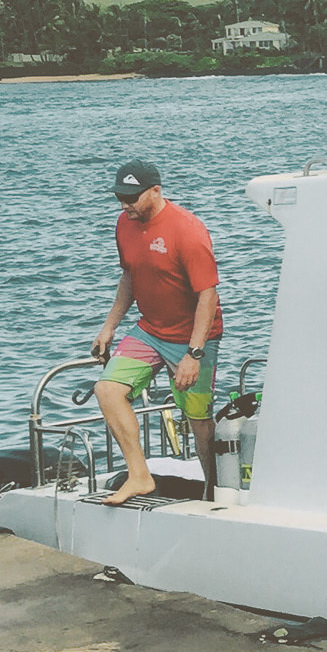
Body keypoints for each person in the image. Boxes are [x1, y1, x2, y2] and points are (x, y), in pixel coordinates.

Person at [91, 158, 224, 503]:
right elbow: (129, 276)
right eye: (120, 197)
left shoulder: (187, 230)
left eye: (131, 198)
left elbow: (208, 296)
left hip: (193, 338)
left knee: (198, 420)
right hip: (149, 331)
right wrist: (109, 327)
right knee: (107, 390)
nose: (125, 205)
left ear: (155, 191)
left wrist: (193, 354)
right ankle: (139, 476)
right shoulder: (124, 224)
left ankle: (215, 493)